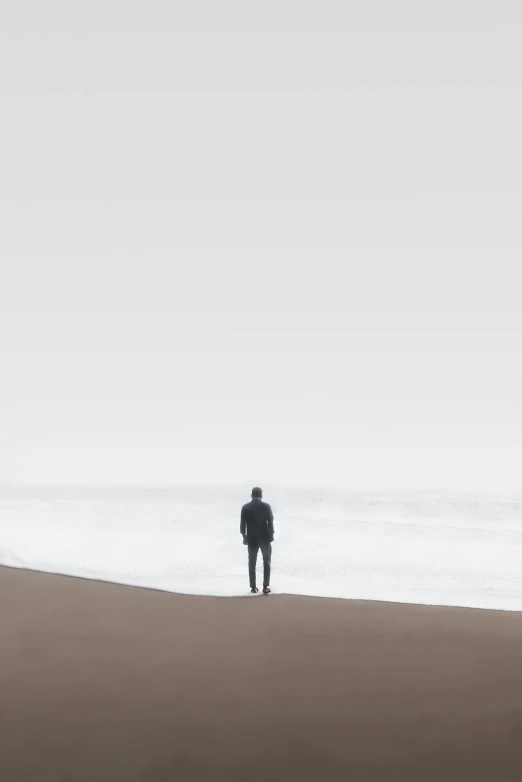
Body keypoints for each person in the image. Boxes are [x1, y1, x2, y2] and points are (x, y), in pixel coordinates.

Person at [240, 487, 275, 594]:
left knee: (252, 562)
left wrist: (244, 537)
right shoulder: (266, 506)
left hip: (252, 538)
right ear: (261, 495)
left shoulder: (245, 507)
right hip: (264, 538)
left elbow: (242, 525)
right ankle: (265, 587)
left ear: (251, 495)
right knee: (267, 562)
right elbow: (270, 522)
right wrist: (271, 534)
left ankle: (253, 587)